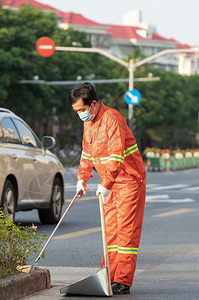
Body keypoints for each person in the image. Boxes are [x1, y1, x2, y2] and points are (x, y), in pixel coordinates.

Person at [69, 82, 146, 295]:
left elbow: (115, 155)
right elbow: (87, 153)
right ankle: (108, 275)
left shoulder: (112, 119)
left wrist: (105, 184)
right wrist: (82, 178)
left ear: (93, 104)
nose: (80, 115)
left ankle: (123, 280)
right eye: (76, 111)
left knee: (126, 231)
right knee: (110, 230)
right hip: (110, 182)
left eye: (82, 110)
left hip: (129, 180)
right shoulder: (90, 122)